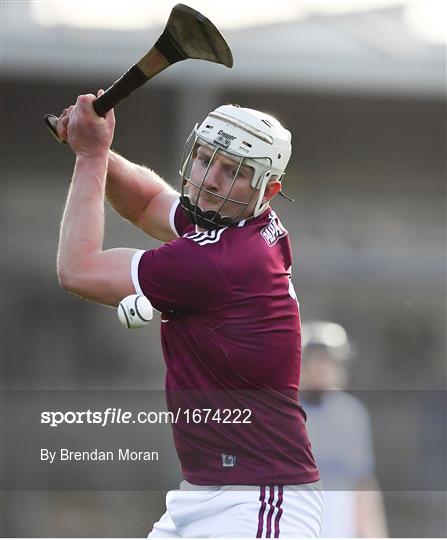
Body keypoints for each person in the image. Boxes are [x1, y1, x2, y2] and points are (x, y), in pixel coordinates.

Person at [55, 92, 323, 538]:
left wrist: (89, 155)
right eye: (203, 159)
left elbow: (77, 269)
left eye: (232, 171)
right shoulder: (241, 223)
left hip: (259, 498)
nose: (209, 180)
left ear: (268, 190)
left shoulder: (219, 260)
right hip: (205, 493)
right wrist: (97, 144)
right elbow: (146, 203)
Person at [300, 321, 388, 537]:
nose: (321, 368)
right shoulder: (285, 412)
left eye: (329, 361)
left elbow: (362, 481)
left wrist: (375, 534)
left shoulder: (352, 414)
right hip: (298, 523)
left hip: (341, 528)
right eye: (314, 360)